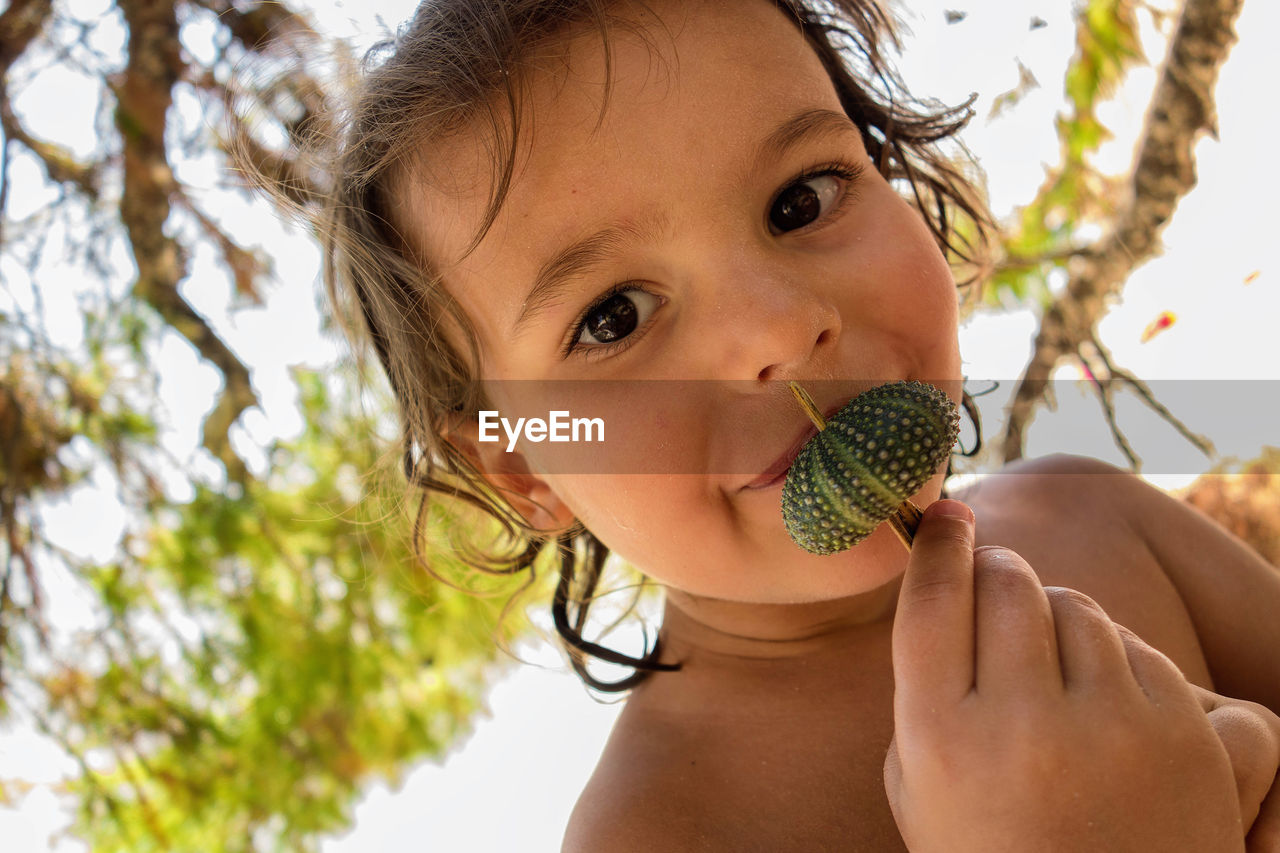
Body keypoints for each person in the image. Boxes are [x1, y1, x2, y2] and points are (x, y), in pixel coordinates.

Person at [263, 0, 1280, 848]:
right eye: (611, 317)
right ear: (528, 470)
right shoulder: (658, 834)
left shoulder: (1095, 513)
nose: (779, 331)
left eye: (801, 199)